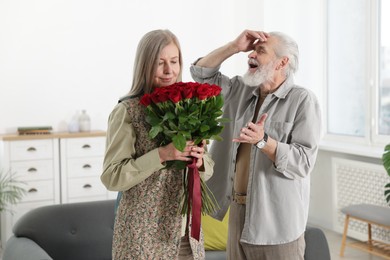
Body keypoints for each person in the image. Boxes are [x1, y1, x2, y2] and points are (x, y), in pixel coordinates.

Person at [190, 30, 322, 260]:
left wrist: (264, 141)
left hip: (276, 224)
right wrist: (233, 46)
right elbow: (201, 74)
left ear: (282, 62)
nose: (251, 54)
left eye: (260, 50)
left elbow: (303, 162)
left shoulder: (303, 100)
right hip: (237, 213)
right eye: (252, 49)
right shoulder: (239, 89)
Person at [101, 29, 214, 260]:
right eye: (159, 63)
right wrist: (161, 155)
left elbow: (207, 171)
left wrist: (200, 161)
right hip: (142, 237)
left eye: (174, 61)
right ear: (144, 65)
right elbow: (112, 176)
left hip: (186, 236)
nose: (168, 70)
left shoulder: (191, 107)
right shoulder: (126, 112)